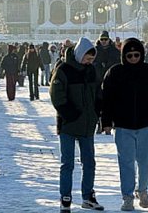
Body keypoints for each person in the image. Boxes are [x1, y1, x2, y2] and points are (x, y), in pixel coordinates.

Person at [102, 38, 148, 211]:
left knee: (146, 161)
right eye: (129, 55)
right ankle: (127, 196)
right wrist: (107, 122)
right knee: (126, 162)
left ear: (142, 54)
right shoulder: (115, 72)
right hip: (123, 126)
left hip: (147, 124)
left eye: (136, 55)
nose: (133, 58)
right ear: (124, 55)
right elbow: (106, 99)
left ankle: (143, 189)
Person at [50, 37, 105, 211]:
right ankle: (65, 196)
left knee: (89, 162)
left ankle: (88, 196)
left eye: (92, 60)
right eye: (87, 59)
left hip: (87, 125)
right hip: (68, 124)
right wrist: (70, 114)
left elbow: (98, 93)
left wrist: (98, 112)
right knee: (67, 163)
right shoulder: (64, 69)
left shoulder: (92, 71)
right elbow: (56, 94)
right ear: (80, 55)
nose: (90, 62)